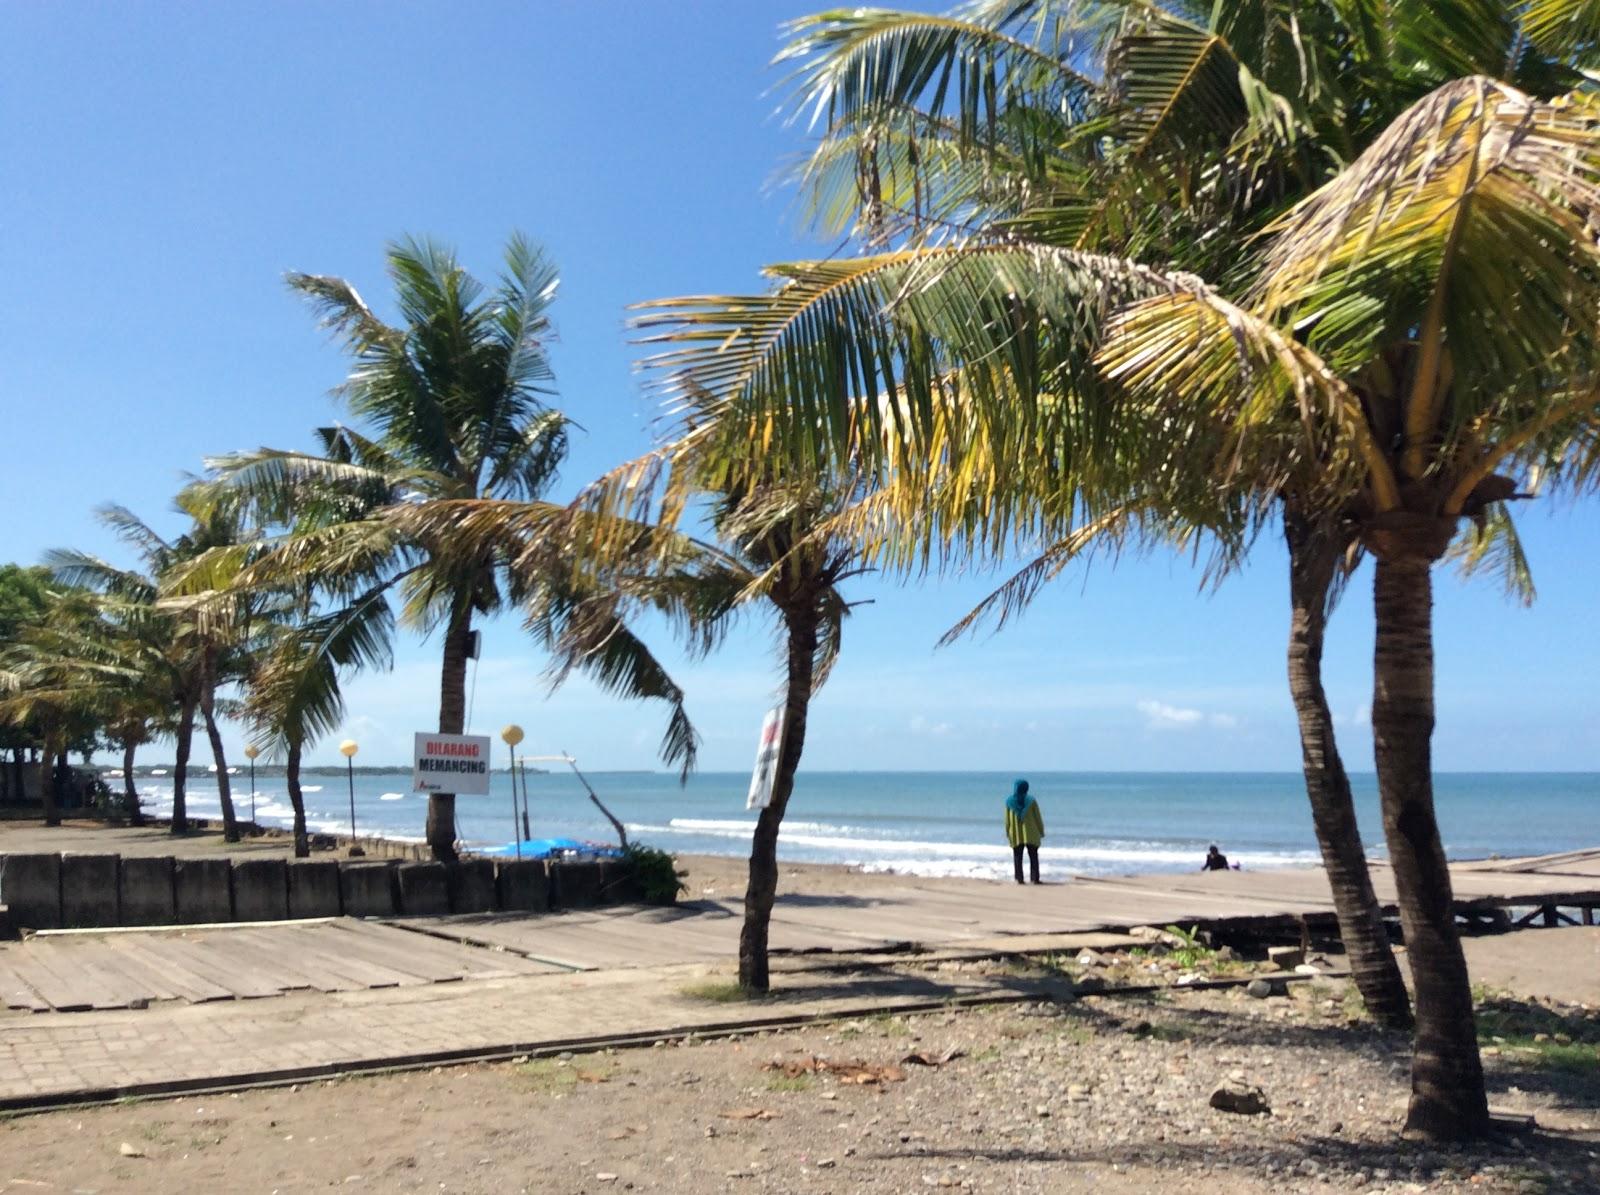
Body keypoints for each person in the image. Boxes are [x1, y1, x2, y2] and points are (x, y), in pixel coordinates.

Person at [1004, 778, 1044, 885]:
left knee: (1017, 856)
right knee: (1033, 856)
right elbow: (1037, 817)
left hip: (1016, 834)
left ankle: (1019, 878)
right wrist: (1041, 830)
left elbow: (1007, 819)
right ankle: (1035, 878)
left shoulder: (1009, 802)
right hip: (1031, 833)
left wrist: (1007, 831)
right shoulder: (1031, 801)